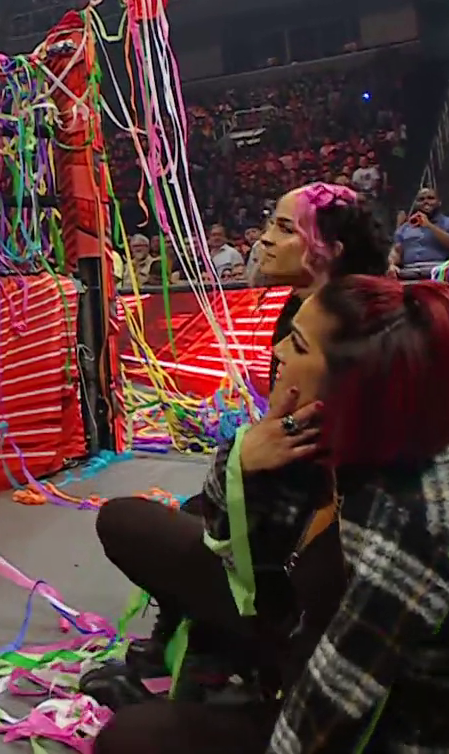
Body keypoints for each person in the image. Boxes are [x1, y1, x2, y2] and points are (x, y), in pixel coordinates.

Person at [94, 275, 449, 754]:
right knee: (127, 522)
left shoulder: (415, 518)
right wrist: (242, 460)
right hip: (301, 627)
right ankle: (222, 665)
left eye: (297, 344)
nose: (277, 349)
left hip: (371, 723)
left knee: (130, 740)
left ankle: (230, 683)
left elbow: (336, 704)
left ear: (350, 379)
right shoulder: (327, 424)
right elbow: (232, 549)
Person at [94, 184, 389, 694]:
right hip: (299, 539)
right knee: (194, 509)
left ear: (330, 251)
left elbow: (276, 494)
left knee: (126, 521)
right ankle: (203, 642)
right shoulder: (322, 311)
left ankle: (236, 650)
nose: (265, 239)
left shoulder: (342, 335)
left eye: (284, 228)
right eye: (270, 223)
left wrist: (238, 459)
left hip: (305, 577)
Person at [392, 186, 449, 266]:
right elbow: (396, 251)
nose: (426, 201)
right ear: (415, 204)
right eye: (421, 199)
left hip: (442, 269)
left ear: (439, 202)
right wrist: (392, 264)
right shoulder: (404, 228)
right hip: (409, 270)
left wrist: (429, 225)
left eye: (430, 198)